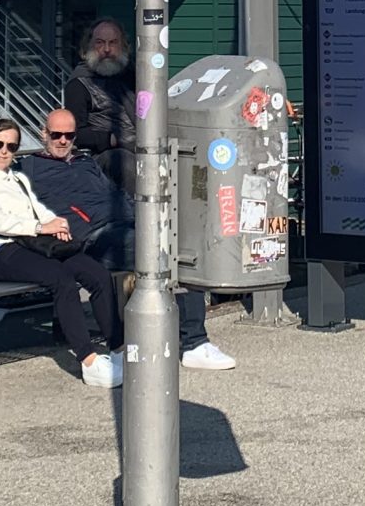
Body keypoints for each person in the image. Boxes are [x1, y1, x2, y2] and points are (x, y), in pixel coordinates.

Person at [23, 107, 235, 371]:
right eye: (56, 135)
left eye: (69, 135)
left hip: (127, 223)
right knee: (168, 255)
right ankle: (194, 342)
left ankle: (191, 340)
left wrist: (139, 214)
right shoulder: (30, 169)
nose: (63, 141)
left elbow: (113, 193)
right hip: (94, 237)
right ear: (43, 134)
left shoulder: (85, 162)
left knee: (184, 246)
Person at [0, 117, 124, 387]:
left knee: (96, 274)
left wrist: (56, 223)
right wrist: (40, 227)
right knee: (61, 280)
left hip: (32, 245)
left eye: (12, 146)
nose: (4, 151)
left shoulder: (17, 179)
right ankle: (88, 360)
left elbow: (37, 208)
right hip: (2, 251)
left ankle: (118, 349)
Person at [64, 18, 137, 192]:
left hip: (141, 146)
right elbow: (74, 133)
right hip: (103, 155)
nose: (106, 49)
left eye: (113, 43)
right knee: (123, 162)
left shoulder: (132, 76)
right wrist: (110, 139)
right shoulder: (79, 83)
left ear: (123, 46)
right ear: (88, 46)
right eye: (100, 42)